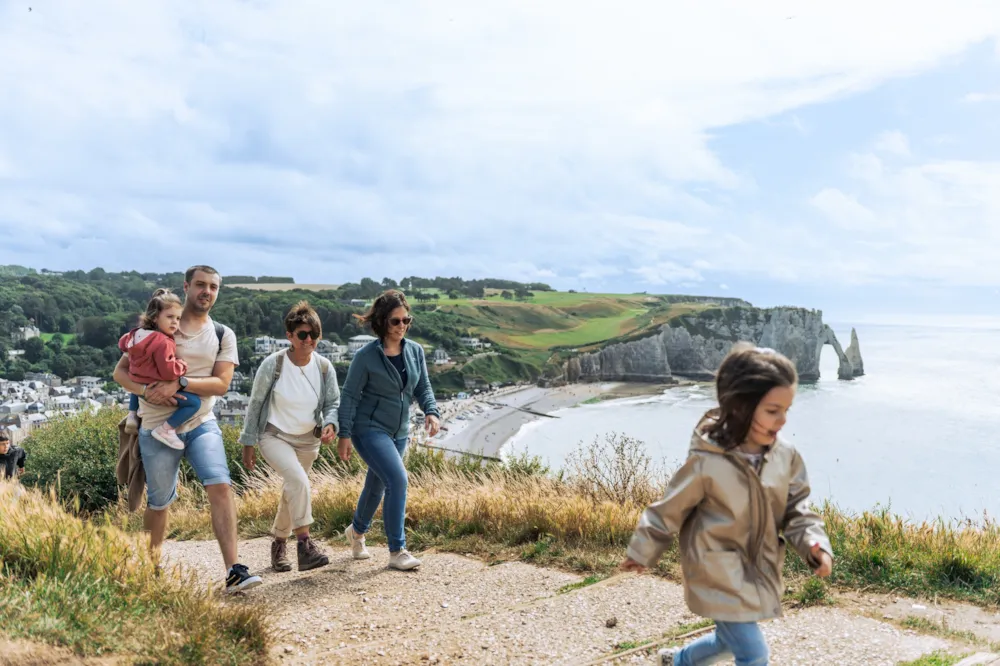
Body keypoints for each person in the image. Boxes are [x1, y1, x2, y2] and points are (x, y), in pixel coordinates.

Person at [621, 343, 834, 666]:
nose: (782, 420)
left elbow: (797, 511)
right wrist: (642, 551)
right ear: (740, 407)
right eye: (772, 411)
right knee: (754, 654)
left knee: (727, 642)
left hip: (756, 570)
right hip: (715, 573)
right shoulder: (708, 461)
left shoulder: (785, 456)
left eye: (786, 410)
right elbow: (669, 509)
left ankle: (680, 661)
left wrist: (814, 544)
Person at [113, 265, 261, 592]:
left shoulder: (222, 334)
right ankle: (150, 569)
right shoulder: (162, 325)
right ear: (186, 286)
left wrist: (179, 383)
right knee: (159, 502)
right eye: (200, 285)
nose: (206, 291)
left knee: (220, 485)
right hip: (156, 426)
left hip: (201, 422)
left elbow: (221, 384)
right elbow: (120, 373)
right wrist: (147, 391)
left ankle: (234, 570)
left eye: (213, 286)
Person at [338, 290, 441, 571]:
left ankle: (356, 532)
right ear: (382, 322)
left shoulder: (415, 351)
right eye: (396, 321)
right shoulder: (366, 357)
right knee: (398, 480)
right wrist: (344, 434)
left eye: (406, 320)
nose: (402, 326)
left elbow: (423, 387)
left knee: (377, 486)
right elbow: (349, 396)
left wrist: (431, 411)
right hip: (368, 429)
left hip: (400, 431)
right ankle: (398, 550)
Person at [239, 301, 343, 573]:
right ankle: (305, 546)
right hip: (274, 436)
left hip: (309, 440)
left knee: (293, 490)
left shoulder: (324, 367)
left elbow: (333, 402)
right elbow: (255, 404)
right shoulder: (273, 365)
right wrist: (248, 442)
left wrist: (331, 423)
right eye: (302, 334)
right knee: (298, 481)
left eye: (314, 334)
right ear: (289, 336)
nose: (309, 340)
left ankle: (278, 544)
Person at [119, 288, 202, 449]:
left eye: (178, 318)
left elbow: (123, 343)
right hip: (155, 387)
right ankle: (166, 429)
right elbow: (168, 372)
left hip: (139, 387)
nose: (175, 322)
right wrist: (181, 365)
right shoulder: (164, 342)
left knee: (137, 375)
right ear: (155, 317)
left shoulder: (136, 334)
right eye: (170, 317)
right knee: (194, 403)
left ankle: (132, 413)